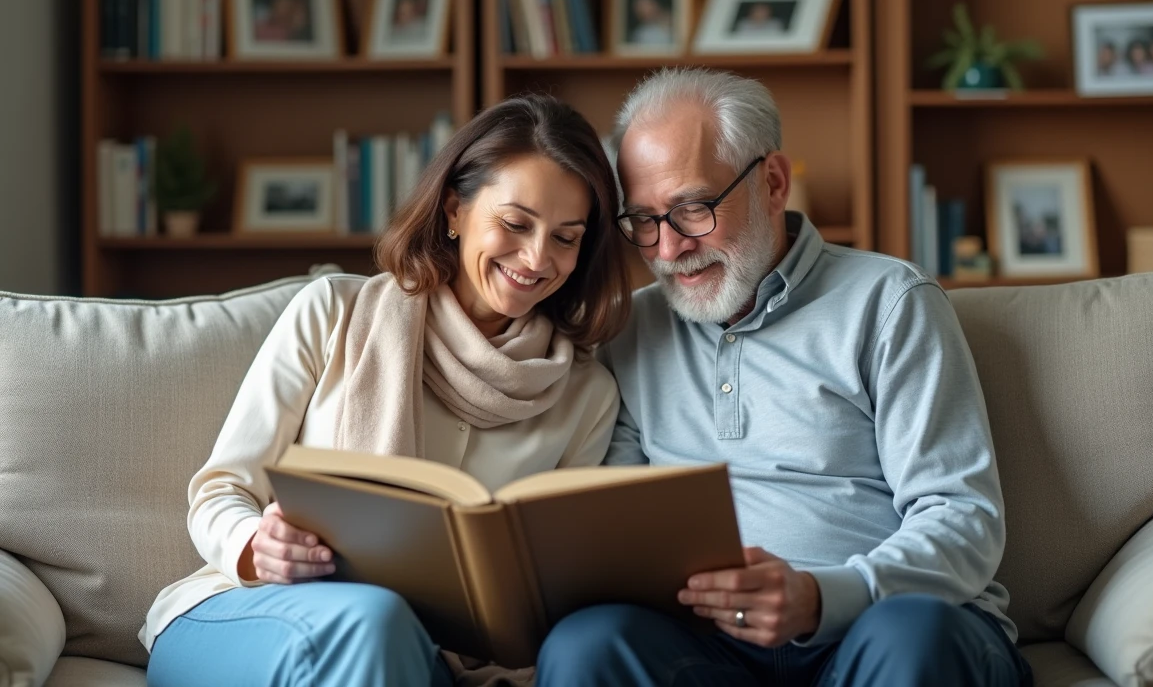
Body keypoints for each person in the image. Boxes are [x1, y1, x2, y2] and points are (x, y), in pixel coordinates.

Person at [536, 68, 1032, 687]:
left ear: (772, 182)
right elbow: (622, 522)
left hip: (876, 626)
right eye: (643, 221)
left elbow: (962, 515)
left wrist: (821, 597)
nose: (667, 251)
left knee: (913, 638)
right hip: (710, 647)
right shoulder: (630, 330)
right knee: (586, 646)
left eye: (692, 209)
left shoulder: (890, 302)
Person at [141, 95, 630, 687]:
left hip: (435, 661)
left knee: (388, 628)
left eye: (566, 237)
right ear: (454, 209)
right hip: (248, 614)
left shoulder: (587, 395)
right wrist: (254, 544)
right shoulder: (334, 313)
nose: (535, 258)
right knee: (376, 620)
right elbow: (220, 489)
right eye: (515, 223)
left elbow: (551, 588)